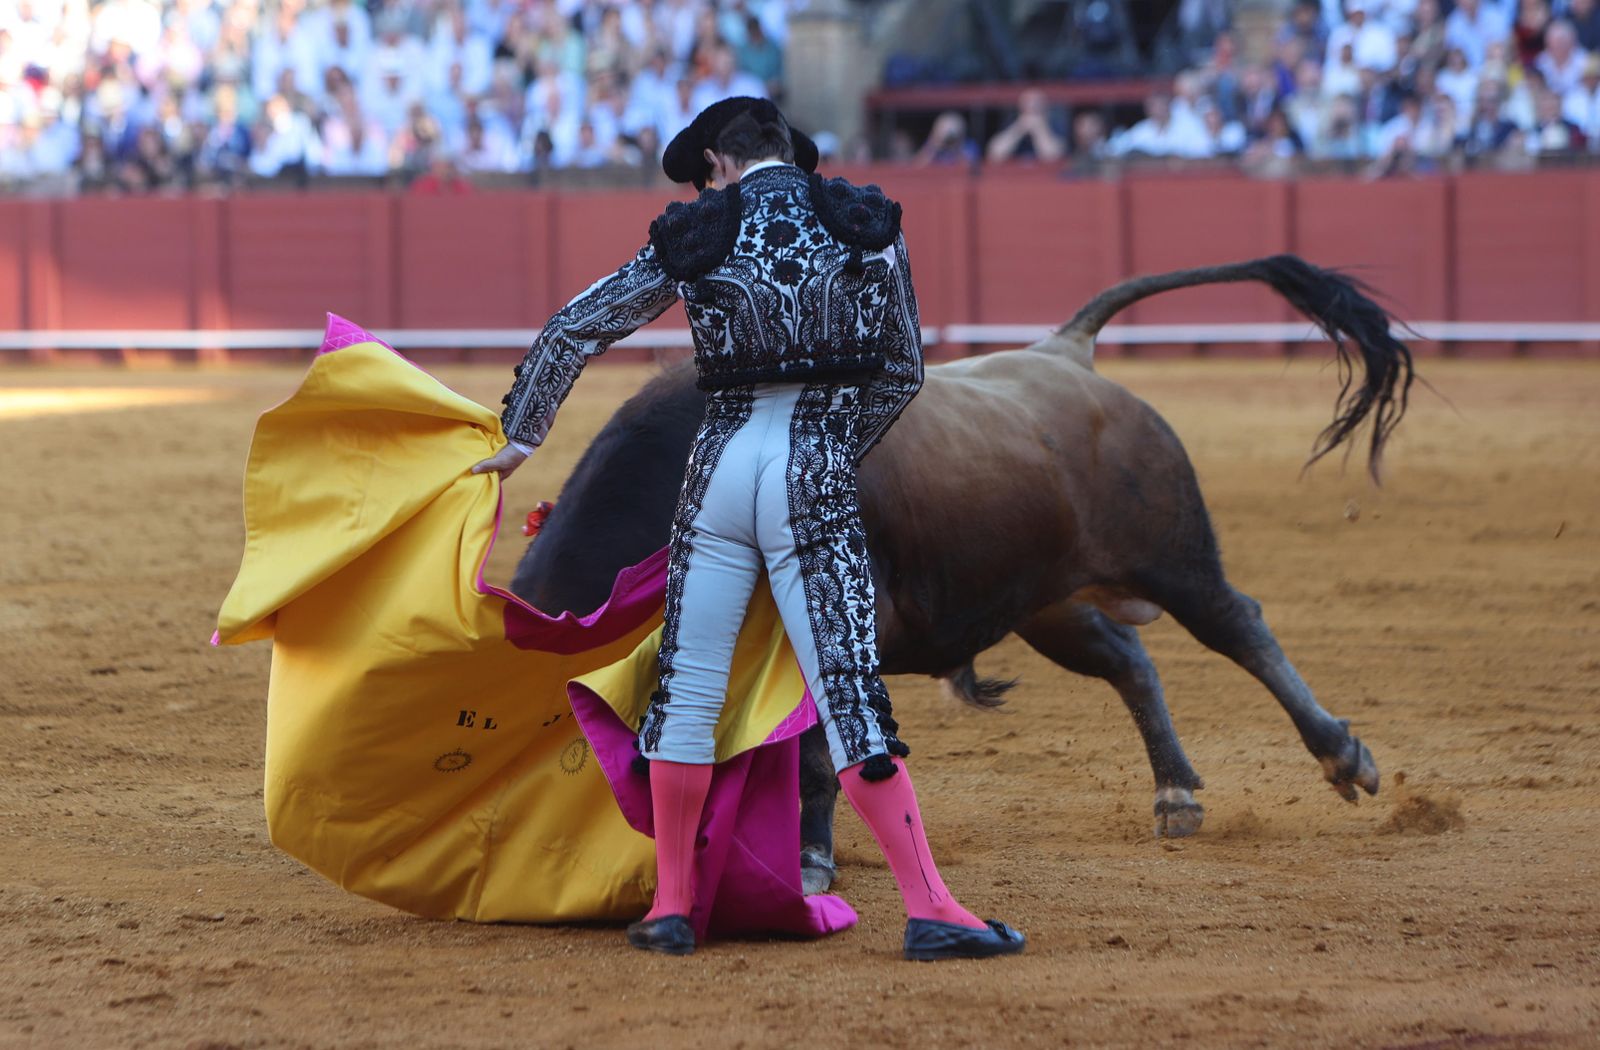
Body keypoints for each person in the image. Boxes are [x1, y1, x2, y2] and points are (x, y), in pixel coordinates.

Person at [471, 97, 1025, 963]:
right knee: (848, 692)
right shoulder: (863, 221)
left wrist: (521, 435)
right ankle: (931, 909)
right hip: (811, 462)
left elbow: (578, 325)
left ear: (720, 164)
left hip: (718, 466)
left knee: (687, 691)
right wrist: (834, 444)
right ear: (788, 156)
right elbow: (904, 366)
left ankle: (672, 908)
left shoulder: (699, 230)